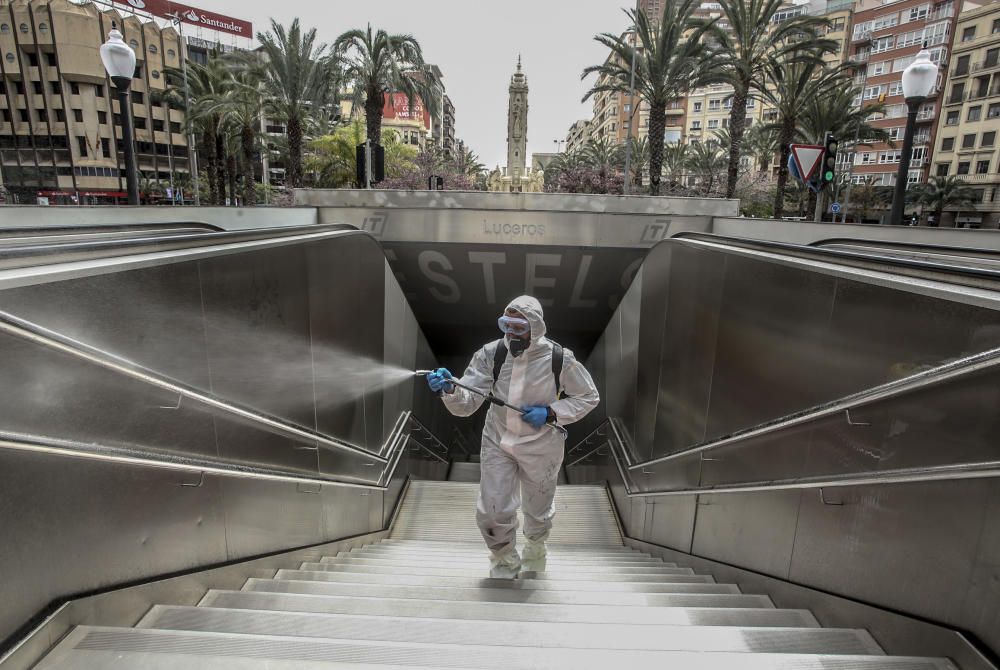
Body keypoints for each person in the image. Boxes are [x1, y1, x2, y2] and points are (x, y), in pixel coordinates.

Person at [426, 295, 600, 578]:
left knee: (538, 509)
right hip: (498, 441)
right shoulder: (491, 354)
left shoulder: (559, 358)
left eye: (518, 327)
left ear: (535, 327)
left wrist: (551, 413)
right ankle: (504, 558)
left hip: (542, 445)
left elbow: (588, 396)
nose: (510, 333)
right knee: (492, 509)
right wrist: (450, 390)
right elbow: (467, 402)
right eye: (506, 325)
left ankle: (535, 547)